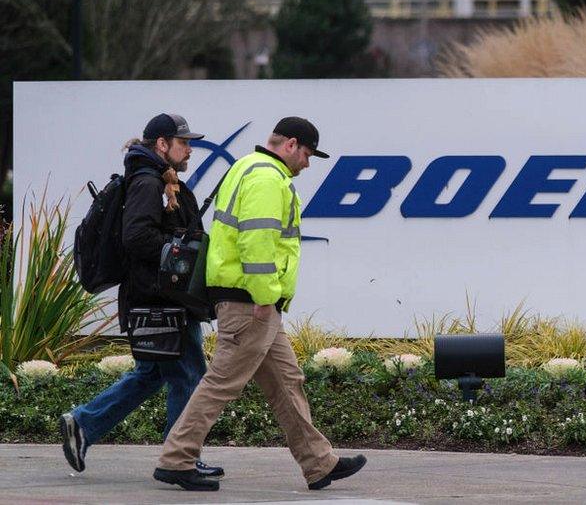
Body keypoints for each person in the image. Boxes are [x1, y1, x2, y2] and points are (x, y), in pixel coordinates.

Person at [153, 117, 366, 492]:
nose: (308, 163)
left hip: (251, 300)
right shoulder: (268, 179)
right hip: (251, 302)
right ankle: (177, 458)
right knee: (222, 382)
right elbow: (257, 242)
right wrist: (265, 298)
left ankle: (319, 463)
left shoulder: (246, 167)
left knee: (287, 382)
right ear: (291, 144)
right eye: (307, 154)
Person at [60, 113, 223, 479]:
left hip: (156, 298)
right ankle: (178, 458)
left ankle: (84, 424)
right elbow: (136, 237)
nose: (190, 149)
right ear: (161, 145)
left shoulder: (159, 180)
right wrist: (179, 250)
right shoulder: (148, 184)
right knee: (188, 375)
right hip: (160, 300)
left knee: (151, 374)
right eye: (183, 143)